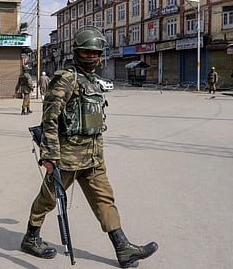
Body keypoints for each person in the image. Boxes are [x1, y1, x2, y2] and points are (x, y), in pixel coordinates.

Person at [20, 26, 158, 268]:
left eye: (95, 53)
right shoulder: (66, 79)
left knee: (105, 199)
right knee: (48, 199)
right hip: (67, 158)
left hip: (93, 158)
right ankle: (31, 238)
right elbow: (49, 118)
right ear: (76, 53)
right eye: (86, 53)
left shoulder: (92, 82)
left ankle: (123, 248)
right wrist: (50, 155)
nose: (91, 57)